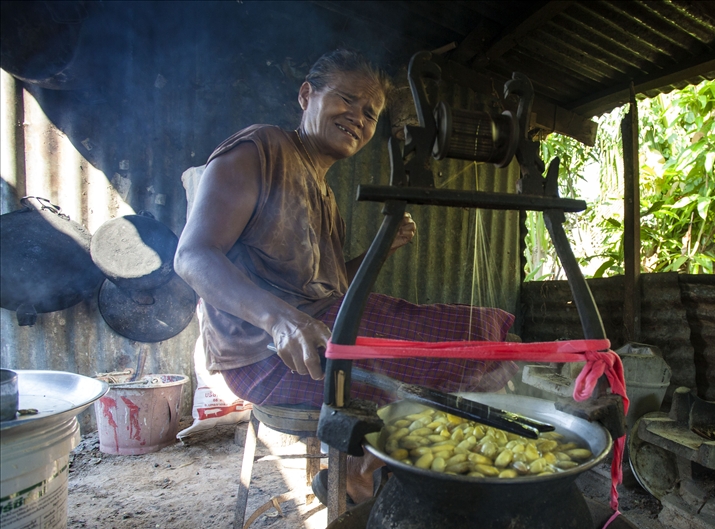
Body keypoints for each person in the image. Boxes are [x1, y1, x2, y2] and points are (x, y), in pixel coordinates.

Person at [175, 50, 517, 504]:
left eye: (370, 112)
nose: (358, 117)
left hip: (316, 334)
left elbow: (336, 292)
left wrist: (383, 244)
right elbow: (194, 256)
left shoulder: (325, 196)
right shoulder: (261, 149)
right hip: (265, 356)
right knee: (462, 341)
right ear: (306, 96)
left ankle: (361, 472)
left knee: (477, 331)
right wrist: (281, 321)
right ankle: (365, 476)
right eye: (348, 100)